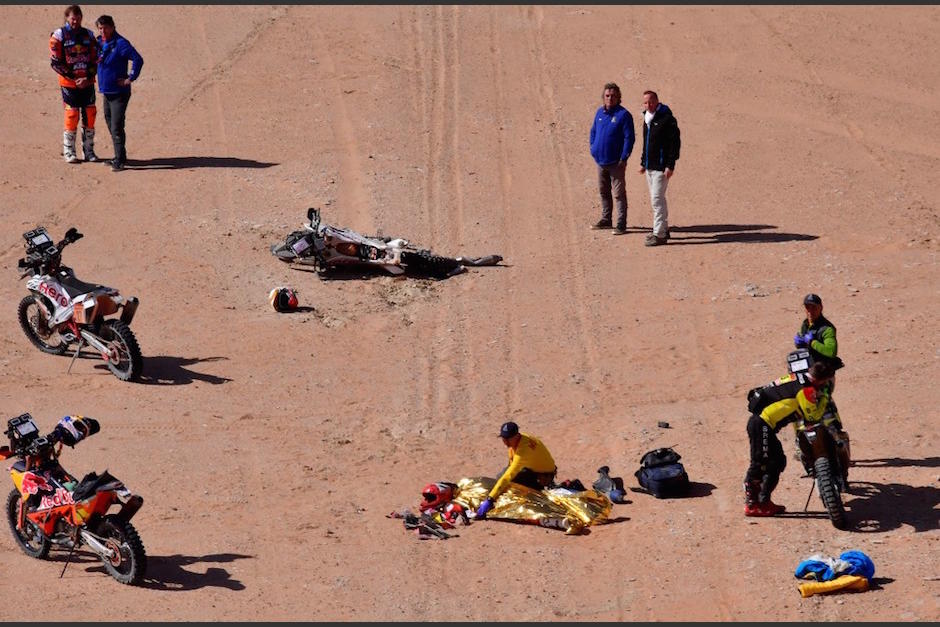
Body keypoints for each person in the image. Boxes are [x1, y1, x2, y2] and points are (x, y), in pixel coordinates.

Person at [743, 360, 836, 517]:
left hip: (762, 423)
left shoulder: (795, 376)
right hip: (762, 424)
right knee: (760, 463)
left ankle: (763, 501)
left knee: (778, 461)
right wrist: (825, 398)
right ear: (820, 380)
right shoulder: (806, 390)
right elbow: (813, 416)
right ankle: (752, 505)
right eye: (826, 381)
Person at [475, 421, 557, 519]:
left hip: (542, 477)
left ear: (516, 436)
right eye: (503, 438)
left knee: (508, 482)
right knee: (500, 478)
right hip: (537, 470)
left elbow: (508, 476)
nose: (505, 441)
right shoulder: (521, 439)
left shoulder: (523, 451)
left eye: (507, 439)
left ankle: (537, 489)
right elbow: (510, 463)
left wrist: (490, 499)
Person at [50, 5, 98, 164]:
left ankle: (89, 151)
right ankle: (69, 151)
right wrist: (73, 78)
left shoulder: (89, 35)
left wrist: (88, 76)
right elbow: (55, 62)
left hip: (87, 82)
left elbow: (96, 59)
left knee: (90, 114)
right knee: (72, 114)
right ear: (67, 18)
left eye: (78, 18)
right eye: (72, 18)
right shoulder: (58, 36)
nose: (75, 21)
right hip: (69, 84)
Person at [95, 14, 144, 172]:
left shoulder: (121, 43)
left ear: (112, 27)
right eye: (100, 28)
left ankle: (120, 159)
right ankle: (120, 156)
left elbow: (138, 59)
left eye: (105, 28)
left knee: (116, 125)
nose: (103, 31)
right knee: (110, 123)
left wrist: (130, 78)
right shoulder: (99, 42)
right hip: (106, 92)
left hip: (119, 93)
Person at [589, 83, 635, 235]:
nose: (610, 98)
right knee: (604, 191)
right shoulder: (599, 113)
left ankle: (621, 224)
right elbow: (593, 132)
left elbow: (629, 138)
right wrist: (593, 148)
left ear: (619, 97)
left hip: (616, 162)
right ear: (603, 97)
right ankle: (606, 219)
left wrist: (624, 157)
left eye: (614, 96)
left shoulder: (624, 115)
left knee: (618, 193)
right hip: (600, 161)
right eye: (607, 95)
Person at [638, 90, 681, 247]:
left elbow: (674, 144)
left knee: (657, 199)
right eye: (645, 102)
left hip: (661, 168)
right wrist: (644, 162)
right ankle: (663, 228)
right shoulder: (647, 118)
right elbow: (646, 143)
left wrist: (670, 165)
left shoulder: (666, 119)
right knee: (657, 199)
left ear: (657, 102)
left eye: (651, 102)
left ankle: (660, 234)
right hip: (650, 166)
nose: (648, 105)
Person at [794, 293, 843, 426]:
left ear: (821, 308)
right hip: (809, 373)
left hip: (823, 375)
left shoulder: (827, 329)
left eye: (813, 307)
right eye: (807, 307)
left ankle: (836, 431)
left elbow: (831, 351)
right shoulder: (805, 325)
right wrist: (799, 343)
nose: (810, 311)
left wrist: (813, 343)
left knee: (824, 402)